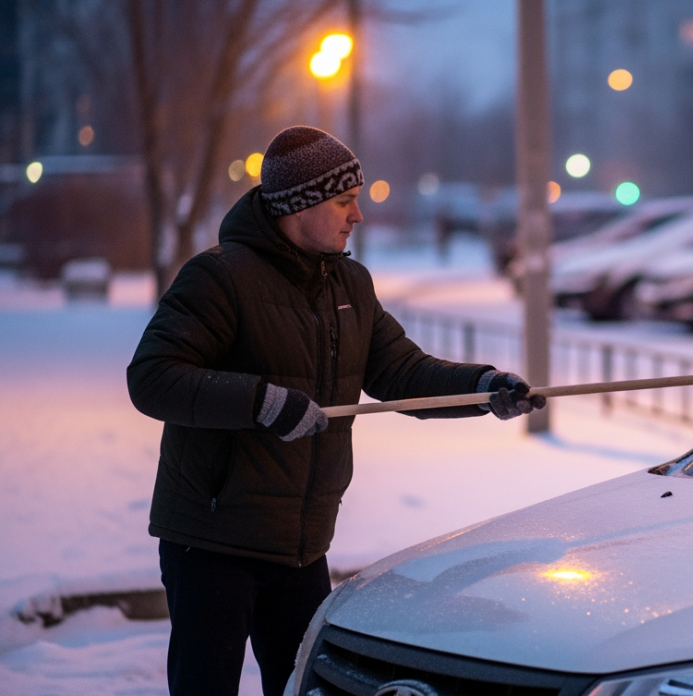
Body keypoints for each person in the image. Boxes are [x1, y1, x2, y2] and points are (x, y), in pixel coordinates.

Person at [126, 126, 544, 696]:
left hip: (301, 546)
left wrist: (482, 387)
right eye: (345, 201)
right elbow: (153, 378)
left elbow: (401, 371)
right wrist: (262, 402)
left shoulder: (349, 282)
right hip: (212, 540)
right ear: (300, 205)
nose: (358, 216)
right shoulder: (220, 278)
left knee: (307, 687)